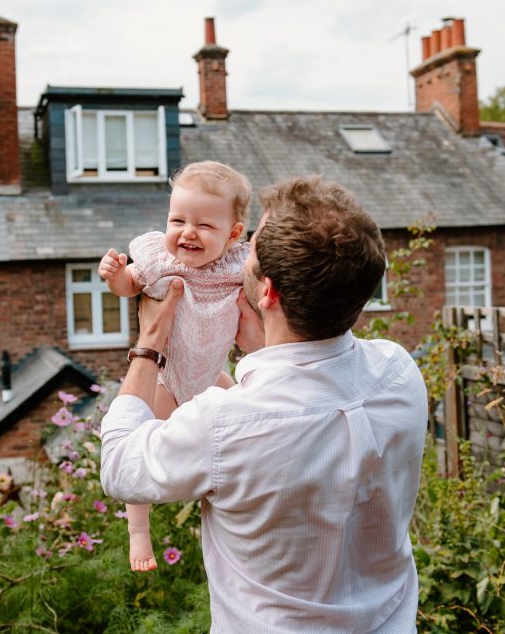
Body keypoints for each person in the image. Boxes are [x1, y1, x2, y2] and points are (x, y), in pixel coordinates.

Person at [101, 176, 428, 633]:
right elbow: (309, 404)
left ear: (268, 291)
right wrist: (262, 349)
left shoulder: (225, 423)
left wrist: (149, 343)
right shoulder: (399, 373)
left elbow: (120, 467)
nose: (240, 252)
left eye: (250, 247)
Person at [98, 160, 252, 572]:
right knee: (140, 442)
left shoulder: (238, 266)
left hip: (212, 374)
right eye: (178, 220)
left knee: (249, 425)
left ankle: (225, 506)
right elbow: (130, 285)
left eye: (204, 225)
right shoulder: (162, 262)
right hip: (167, 374)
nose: (187, 232)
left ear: (233, 234)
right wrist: (115, 277)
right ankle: (138, 531)